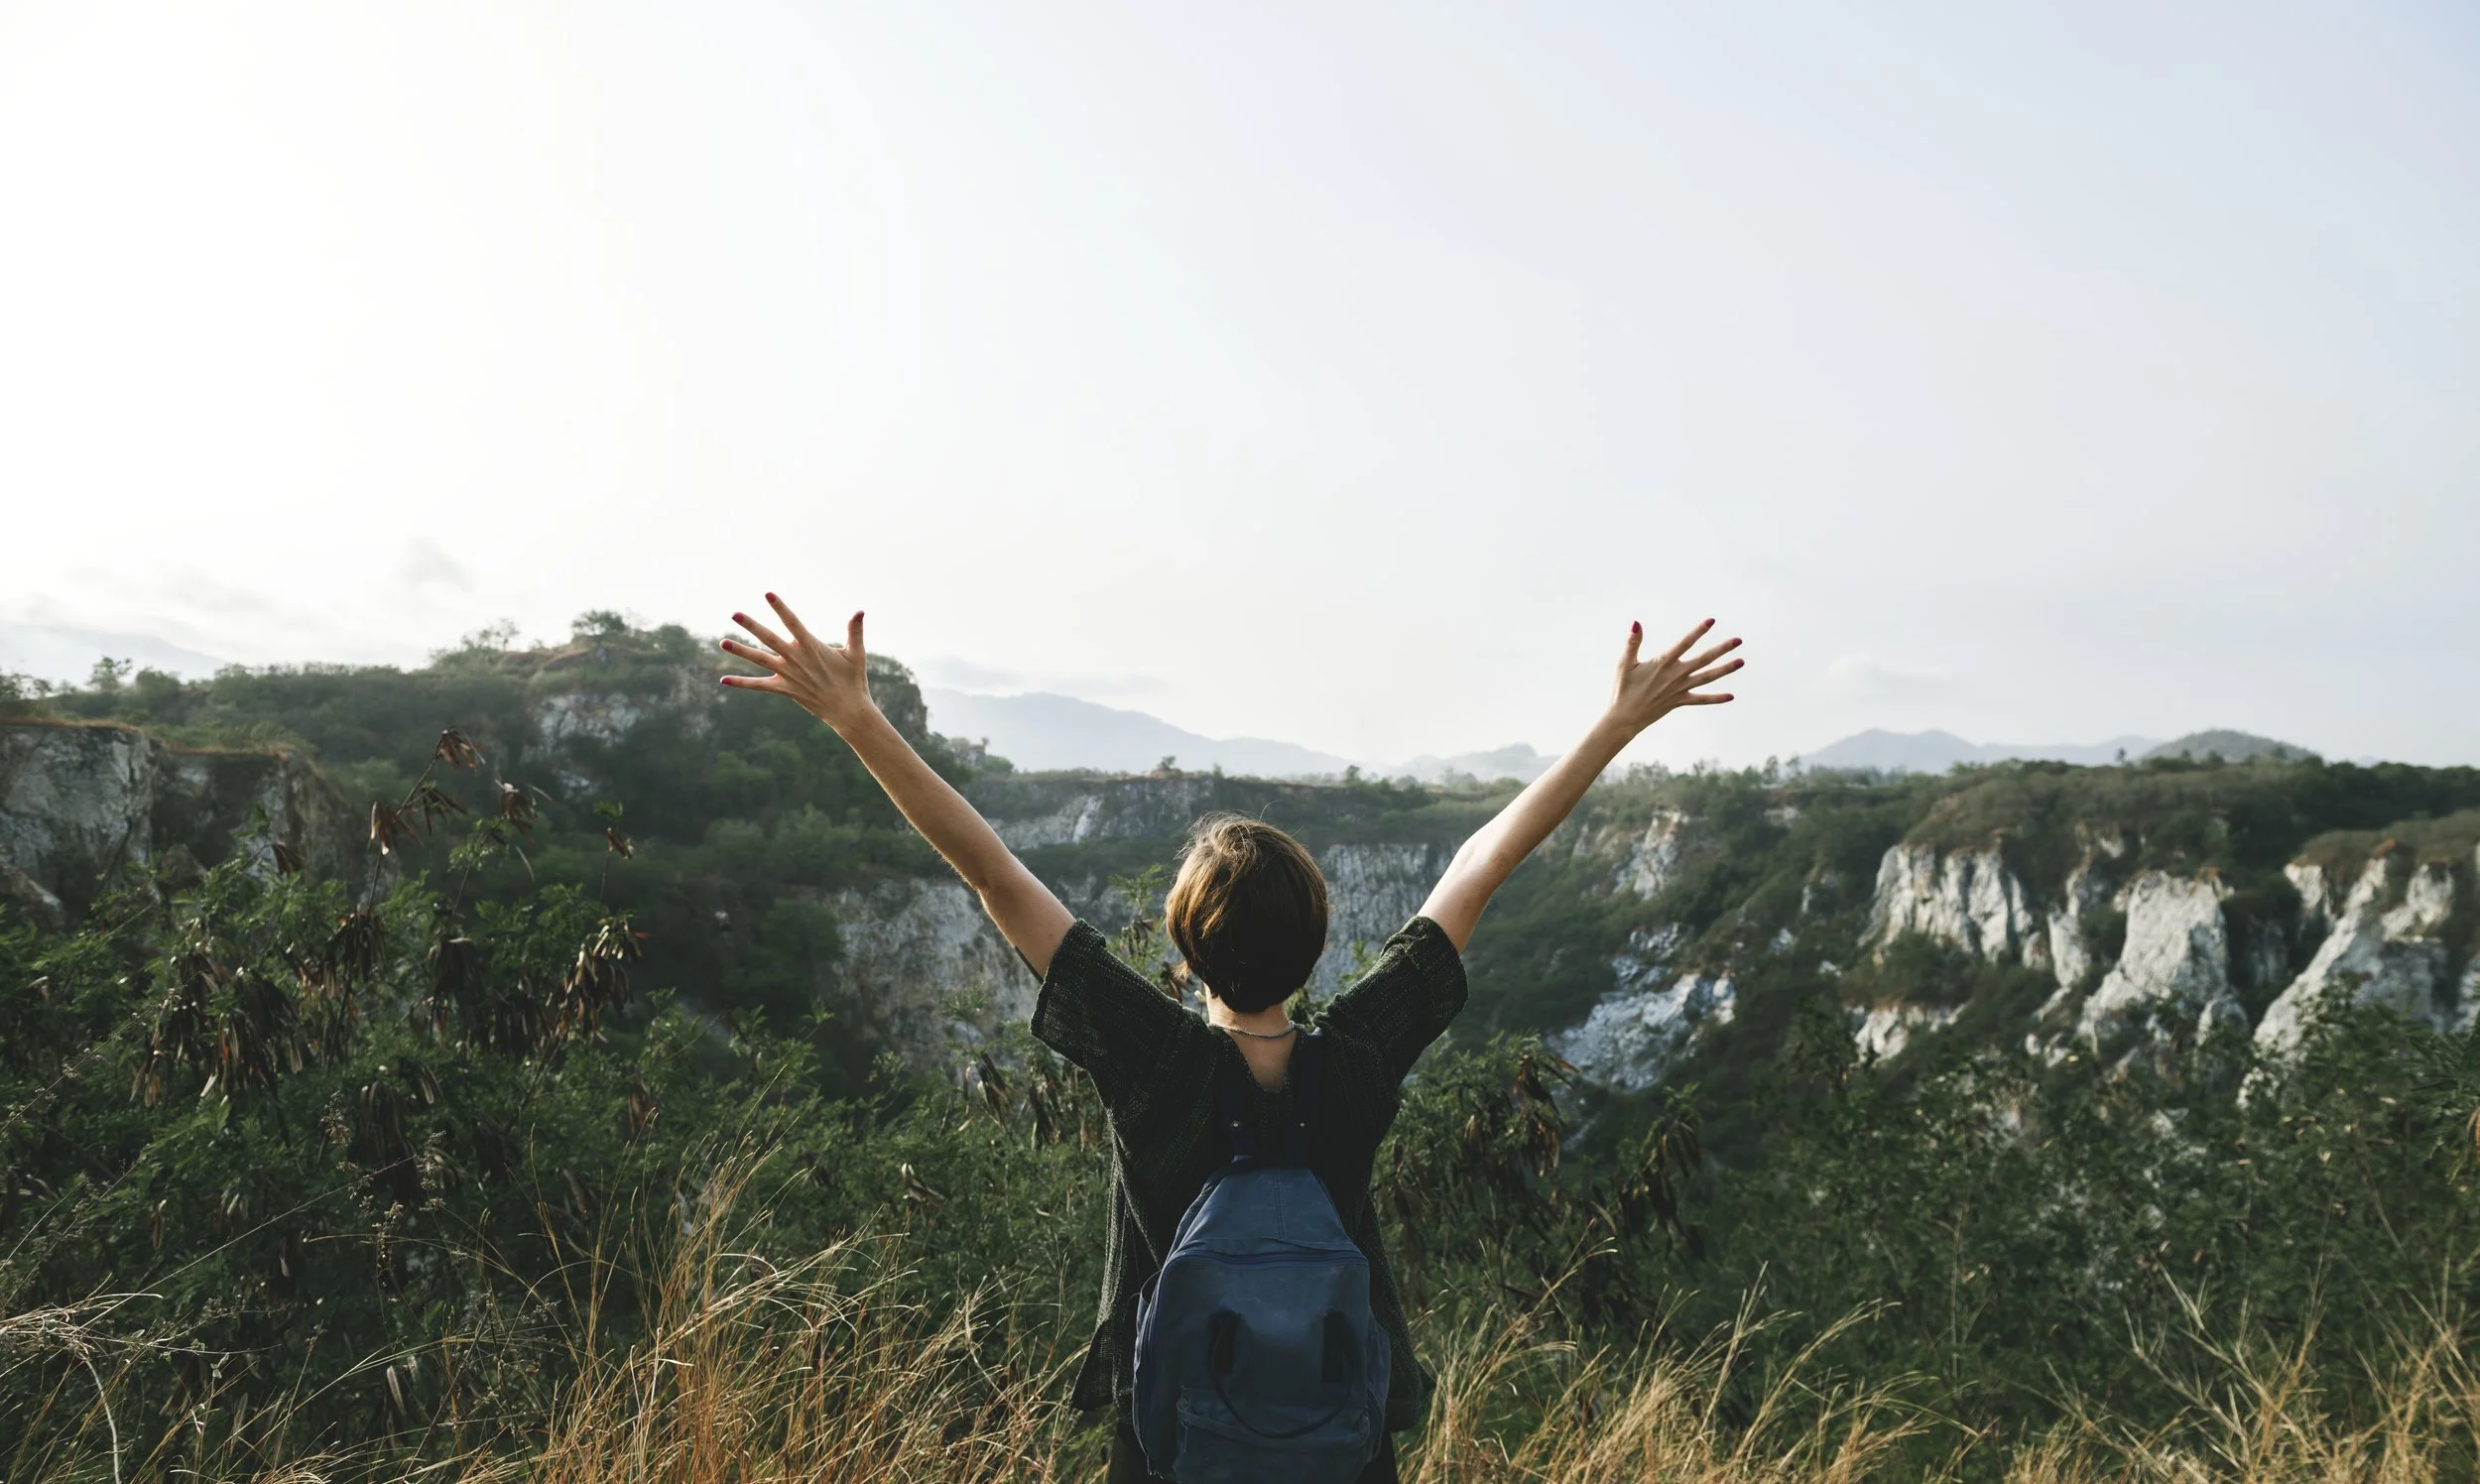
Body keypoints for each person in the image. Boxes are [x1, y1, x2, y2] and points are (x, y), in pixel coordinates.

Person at [718, 597, 1742, 1481]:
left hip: (1170, 1440)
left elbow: (990, 871)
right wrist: (1615, 724)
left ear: (1182, 944)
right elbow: (1480, 864)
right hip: (1341, 1438)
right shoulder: (1357, 1058)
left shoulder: (1154, 1062)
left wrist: (854, 717)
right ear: (1319, 941)